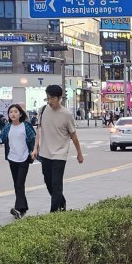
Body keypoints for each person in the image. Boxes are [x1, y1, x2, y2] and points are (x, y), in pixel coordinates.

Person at [31, 84, 84, 212]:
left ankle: (53, 212)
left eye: (52, 98)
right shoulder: (43, 110)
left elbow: (74, 136)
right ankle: (62, 201)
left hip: (60, 154)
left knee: (56, 183)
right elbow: (39, 130)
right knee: (48, 181)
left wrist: (79, 153)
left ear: (60, 98)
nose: (50, 101)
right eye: (48, 98)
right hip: (45, 152)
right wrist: (35, 148)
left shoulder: (67, 114)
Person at [0, 103, 36, 219]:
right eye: (10, 112)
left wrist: (33, 151)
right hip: (12, 158)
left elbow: (33, 138)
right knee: (17, 184)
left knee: (20, 183)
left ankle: (18, 208)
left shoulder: (26, 126)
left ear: (20, 114)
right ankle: (23, 208)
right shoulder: (8, 126)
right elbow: (2, 138)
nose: (13, 114)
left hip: (24, 158)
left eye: (15, 112)